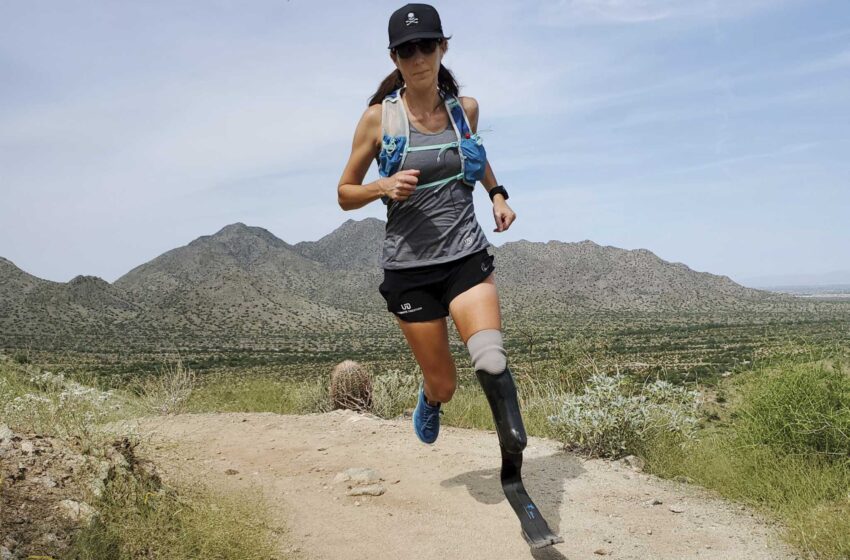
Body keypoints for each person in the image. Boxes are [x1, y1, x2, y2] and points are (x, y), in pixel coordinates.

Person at [336, 3, 524, 453]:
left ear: (442, 47)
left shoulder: (466, 111)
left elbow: (474, 156)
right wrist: (382, 185)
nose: (417, 58)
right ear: (394, 58)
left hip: (465, 256)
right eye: (406, 50)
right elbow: (345, 193)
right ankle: (430, 399)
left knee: (491, 357)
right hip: (410, 271)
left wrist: (497, 194)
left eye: (425, 46)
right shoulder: (378, 120)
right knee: (445, 384)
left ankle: (513, 454)